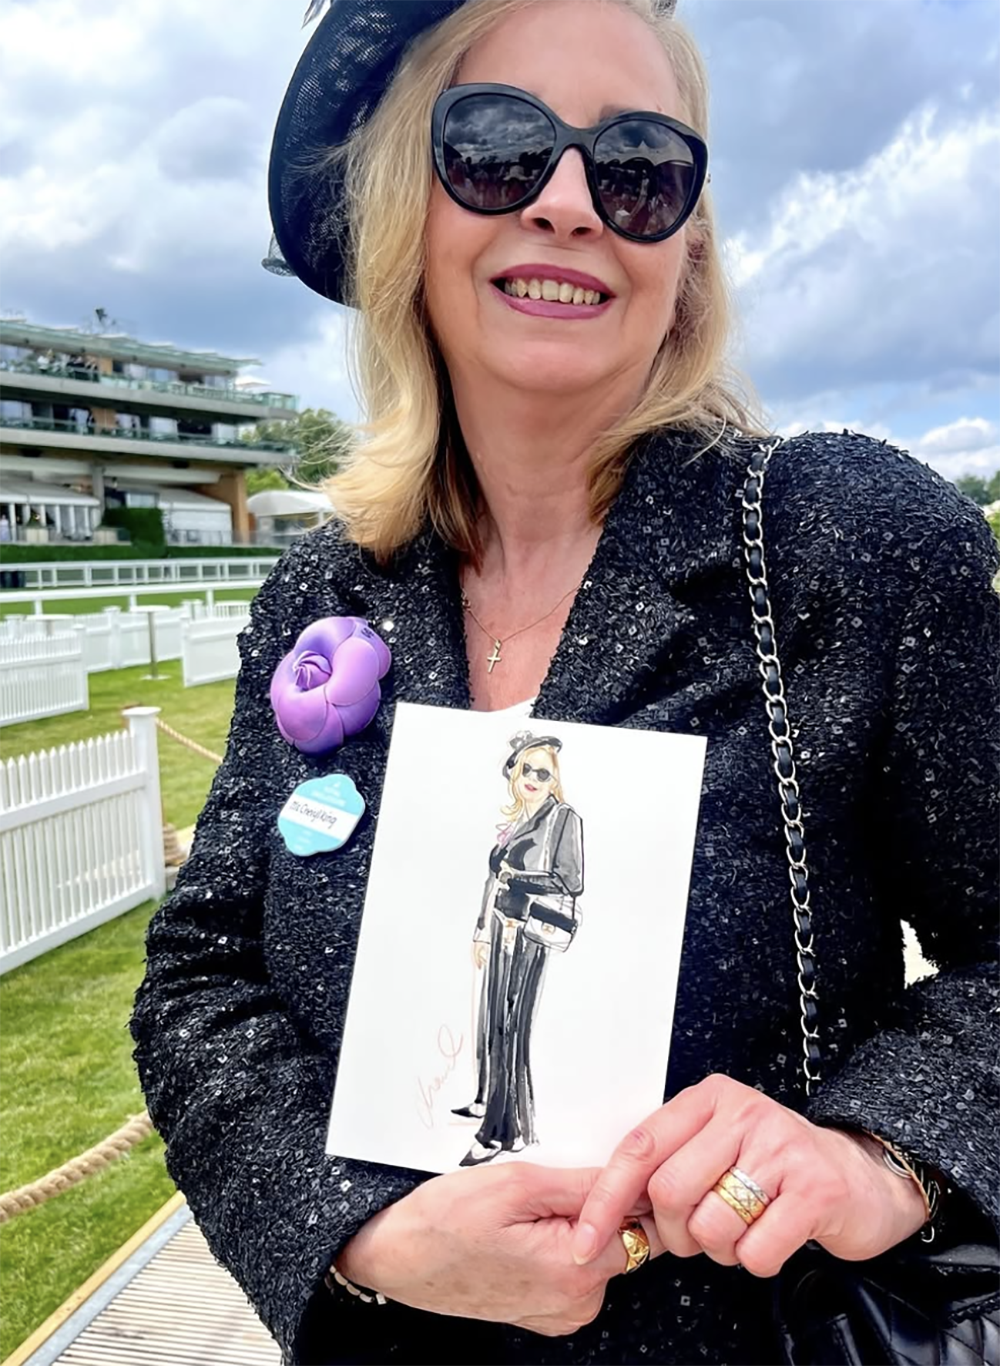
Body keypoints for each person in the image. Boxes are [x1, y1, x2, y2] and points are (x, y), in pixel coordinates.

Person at [130, 0, 1000, 1362]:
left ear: (689, 243)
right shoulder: (328, 591)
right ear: (404, 204)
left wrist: (882, 1153)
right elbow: (199, 976)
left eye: (639, 166)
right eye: (496, 148)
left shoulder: (841, 542)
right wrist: (355, 1229)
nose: (572, 203)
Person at [455, 732, 584, 1166]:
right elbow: (492, 881)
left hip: (529, 932)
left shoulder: (562, 818)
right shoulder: (514, 822)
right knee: (491, 1020)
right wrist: (480, 929)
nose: (531, 777)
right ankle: (487, 1101)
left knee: (511, 1027)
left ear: (554, 780)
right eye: (525, 769)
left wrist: (519, 879)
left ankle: (498, 1132)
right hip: (500, 928)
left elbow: (572, 880)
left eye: (542, 772)